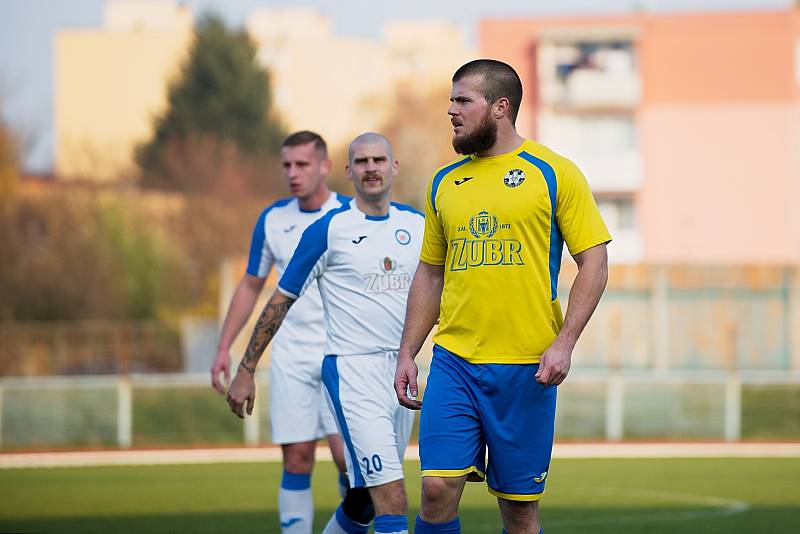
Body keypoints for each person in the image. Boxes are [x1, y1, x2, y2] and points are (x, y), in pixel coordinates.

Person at [394, 59, 612, 534]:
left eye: (462, 101)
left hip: (527, 369)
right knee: (436, 490)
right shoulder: (445, 183)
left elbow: (593, 263)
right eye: (451, 100)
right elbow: (430, 274)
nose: (451, 111)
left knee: (518, 511)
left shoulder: (554, 172)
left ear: (500, 107)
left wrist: (565, 342)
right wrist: (407, 352)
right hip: (454, 362)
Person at [227, 132, 424, 534]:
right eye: (362, 162)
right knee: (393, 499)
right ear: (348, 171)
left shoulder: (418, 225)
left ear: (394, 167)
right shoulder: (327, 230)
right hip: (353, 374)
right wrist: (245, 368)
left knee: (364, 499)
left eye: (379, 160)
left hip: (404, 372)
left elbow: (445, 290)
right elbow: (279, 301)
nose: (371, 168)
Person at [211, 130, 362, 534]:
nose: (293, 173)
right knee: (296, 459)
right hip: (292, 356)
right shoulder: (273, 219)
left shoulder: (352, 215)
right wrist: (225, 346)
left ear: (326, 167)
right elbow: (251, 285)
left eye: (302, 164)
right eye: (287, 166)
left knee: (350, 462)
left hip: (343, 356)